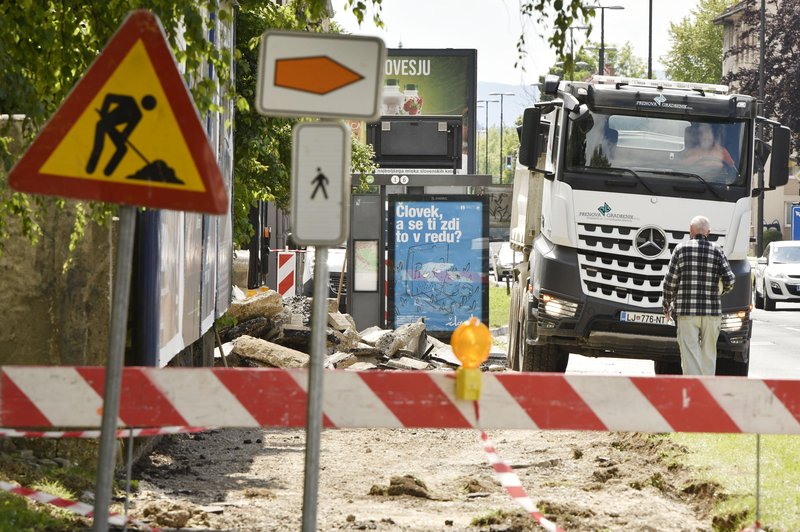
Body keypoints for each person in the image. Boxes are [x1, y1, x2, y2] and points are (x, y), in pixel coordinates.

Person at [662, 215, 735, 375]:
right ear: (708, 232)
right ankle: (707, 392)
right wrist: (722, 291)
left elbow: (670, 282)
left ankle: (694, 392)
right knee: (709, 355)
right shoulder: (717, 251)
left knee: (690, 356)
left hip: (687, 312)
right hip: (712, 313)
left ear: (690, 231)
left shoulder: (680, 249)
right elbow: (730, 278)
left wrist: (667, 305)